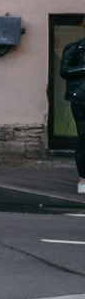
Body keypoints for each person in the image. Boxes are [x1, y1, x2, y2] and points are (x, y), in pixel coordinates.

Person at [61, 30, 85, 196]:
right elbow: (65, 71)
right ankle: (83, 180)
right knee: (84, 140)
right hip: (81, 101)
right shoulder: (75, 48)